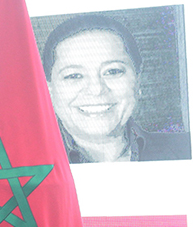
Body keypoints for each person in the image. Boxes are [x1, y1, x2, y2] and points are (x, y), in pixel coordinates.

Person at [41, 14, 191, 162]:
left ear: (138, 80)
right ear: (49, 90)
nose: (96, 89)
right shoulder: (27, 160)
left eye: (112, 71)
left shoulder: (186, 148)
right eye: (74, 76)